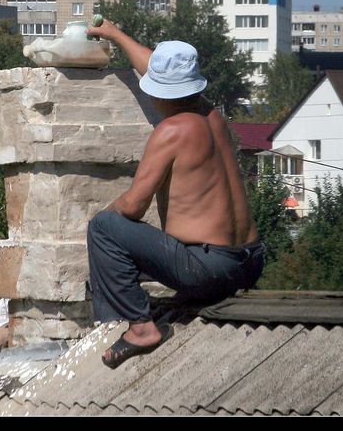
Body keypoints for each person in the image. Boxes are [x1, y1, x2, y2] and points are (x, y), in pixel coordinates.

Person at [85, 19, 264, 369]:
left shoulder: (171, 130)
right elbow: (156, 64)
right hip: (250, 261)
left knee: (103, 228)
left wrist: (109, 211)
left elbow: (134, 207)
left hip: (208, 269)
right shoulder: (212, 115)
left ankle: (141, 329)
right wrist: (117, 34)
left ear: (158, 93)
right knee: (112, 226)